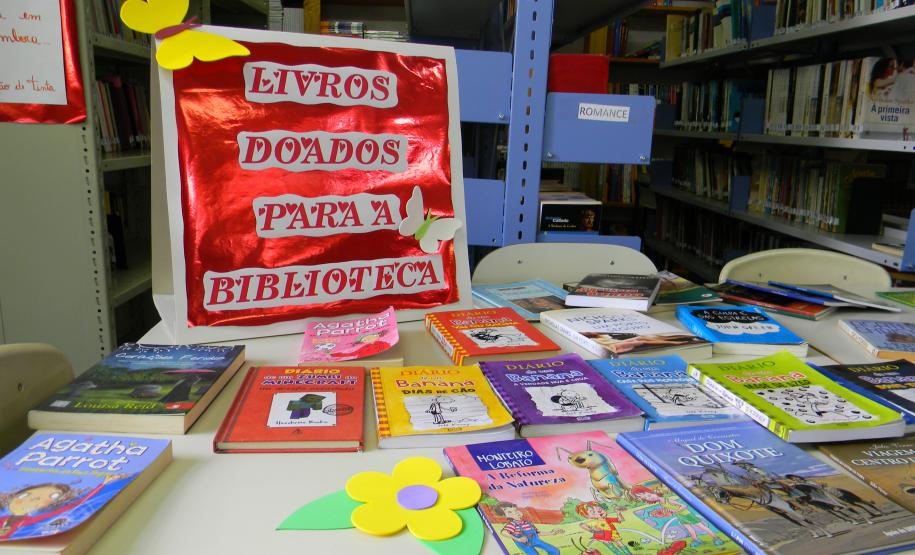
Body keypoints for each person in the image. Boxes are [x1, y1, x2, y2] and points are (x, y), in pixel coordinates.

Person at [629, 486, 724, 548]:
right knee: (689, 529)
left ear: (653, 492)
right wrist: (666, 513)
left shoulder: (667, 500)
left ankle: (716, 538)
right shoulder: (661, 503)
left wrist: (676, 511)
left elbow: (683, 506)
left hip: (687, 514)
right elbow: (669, 511)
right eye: (647, 498)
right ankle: (697, 540)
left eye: (649, 495)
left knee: (702, 527)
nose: (651, 498)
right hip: (680, 516)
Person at [492, 502, 560, 555]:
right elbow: (503, 532)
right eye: (510, 512)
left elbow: (537, 533)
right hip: (525, 544)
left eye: (515, 510)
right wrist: (518, 539)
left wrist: (552, 533)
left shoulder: (528, 523)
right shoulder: (512, 524)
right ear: (504, 516)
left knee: (555, 551)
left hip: (536, 540)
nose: (515, 513)